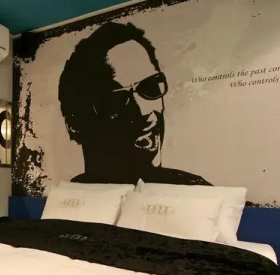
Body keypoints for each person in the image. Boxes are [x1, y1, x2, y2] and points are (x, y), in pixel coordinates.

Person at [58, 22, 209, 185]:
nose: (145, 112)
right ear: (75, 123)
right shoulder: (68, 194)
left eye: (150, 87)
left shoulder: (196, 189)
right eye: (115, 100)